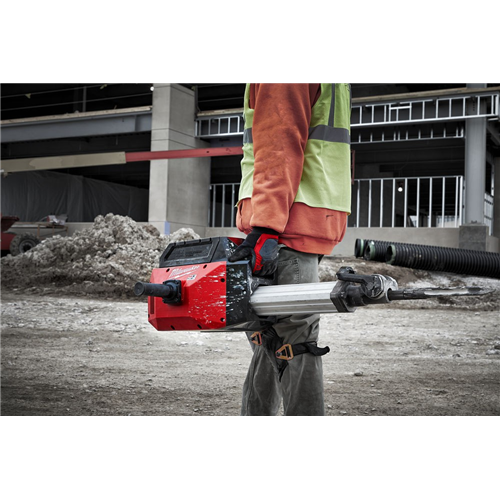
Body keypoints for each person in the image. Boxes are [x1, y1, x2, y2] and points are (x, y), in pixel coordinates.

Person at [229, 83, 352, 416]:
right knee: (270, 337)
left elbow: (278, 144)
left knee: (294, 341)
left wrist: (265, 228)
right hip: (304, 219)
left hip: (283, 226)